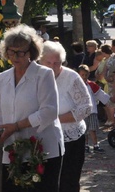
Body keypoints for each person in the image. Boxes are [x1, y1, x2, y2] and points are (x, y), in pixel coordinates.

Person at [0, 25, 64, 192]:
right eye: (11, 51)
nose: (15, 56)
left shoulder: (44, 74)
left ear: (31, 52)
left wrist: (16, 126)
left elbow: (49, 111)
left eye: (20, 52)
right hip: (12, 150)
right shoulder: (3, 78)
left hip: (43, 149)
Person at [40, 41, 91, 192]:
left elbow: (86, 107)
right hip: (43, 138)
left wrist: (55, 119)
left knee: (67, 181)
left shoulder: (71, 77)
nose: (52, 66)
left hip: (71, 138)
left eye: (56, 63)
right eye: (48, 62)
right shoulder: (36, 77)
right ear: (40, 61)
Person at [77, 64, 108, 153]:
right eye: (82, 75)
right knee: (84, 130)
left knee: (93, 129)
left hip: (92, 110)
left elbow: (100, 93)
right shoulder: (76, 85)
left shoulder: (91, 85)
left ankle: (95, 145)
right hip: (82, 111)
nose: (84, 77)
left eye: (86, 75)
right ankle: (85, 145)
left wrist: (108, 100)